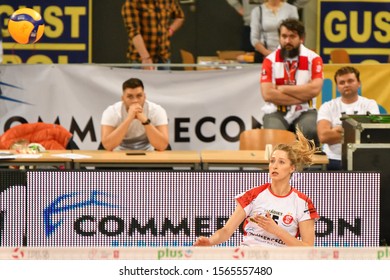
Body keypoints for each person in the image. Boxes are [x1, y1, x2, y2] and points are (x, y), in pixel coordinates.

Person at [194, 128, 319, 247]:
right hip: (249, 256)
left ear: (292, 168)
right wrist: (210, 241)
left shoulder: (303, 203)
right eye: (272, 161)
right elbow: (226, 231)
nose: (274, 166)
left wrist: (277, 231)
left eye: (281, 162)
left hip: (281, 260)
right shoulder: (253, 195)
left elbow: (308, 248)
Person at [260, 18, 323, 145]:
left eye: (292, 36)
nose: (287, 41)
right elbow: (267, 94)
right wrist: (303, 95)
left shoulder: (314, 59)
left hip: (305, 110)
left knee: (310, 130)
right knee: (274, 135)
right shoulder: (269, 60)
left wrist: (282, 89)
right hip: (276, 110)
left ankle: (306, 165)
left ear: (301, 38)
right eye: (284, 36)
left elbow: (315, 89)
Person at [317, 66, 380, 170]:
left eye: (350, 81)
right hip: (334, 160)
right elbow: (324, 137)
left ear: (359, 83)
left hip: (363, 159)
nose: (346, 85)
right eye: (342, 82)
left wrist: (338, 130)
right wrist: (358, 130)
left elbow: (373, 134)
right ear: (337, 87)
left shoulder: (370, 104)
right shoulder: (327, 106)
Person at [101, 78, 169, 151]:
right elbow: (107, 145)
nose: (135, 100)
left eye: (139, 96)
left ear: (144, 97)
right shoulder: (112, 111)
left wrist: (145, 120)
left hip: (149, 149)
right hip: (118, 150)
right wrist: (129, 119)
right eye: (130, 96)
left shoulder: (156, 110)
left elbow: (162, 146)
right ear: (123, 98)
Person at [121, 0, 185, 70]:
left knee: (165, 80)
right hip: (140, 60)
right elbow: (133, 32)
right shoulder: (133, 2)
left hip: (163, 57)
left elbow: (180, 17)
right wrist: (146, 58)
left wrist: (170, 31)